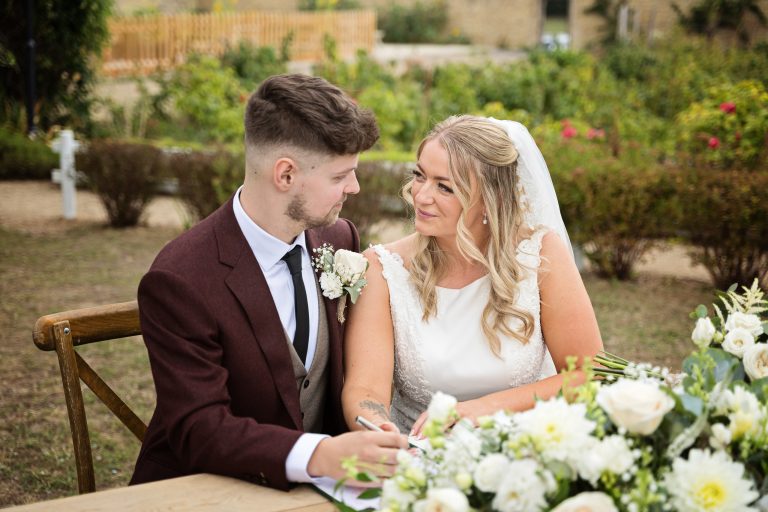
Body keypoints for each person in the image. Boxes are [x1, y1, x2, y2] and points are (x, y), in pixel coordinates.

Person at [130, 74, 407, 491]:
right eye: (339, 176)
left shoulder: (338, 239)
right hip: (207, 489)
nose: (354, 187)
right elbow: (199, 428)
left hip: (323, 491)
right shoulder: (180, 278)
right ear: (285, 175)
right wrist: (317, 455)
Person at [342, 115, 604, 435]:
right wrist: (380, 434)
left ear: (491, 199)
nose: (420, 195)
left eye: (445, 187)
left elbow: (589, 374)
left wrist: (484, 408)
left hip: (522, 446)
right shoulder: (383, 269)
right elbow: (365, 390)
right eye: (419, 175)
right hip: (415, 449)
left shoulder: (540, 253)